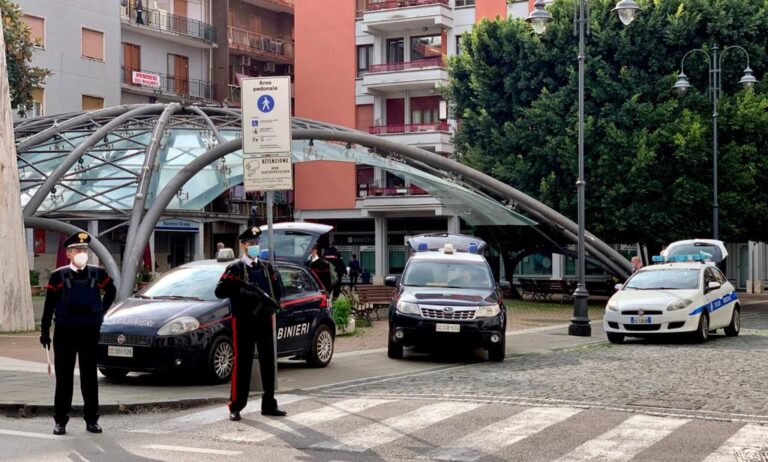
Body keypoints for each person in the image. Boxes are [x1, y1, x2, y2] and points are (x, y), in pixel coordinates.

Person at [40, 232, 116, 436]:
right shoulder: (58, 275)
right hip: (65, 332)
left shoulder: (97, 273)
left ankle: (92, 420)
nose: (82, 253)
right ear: (69, 254)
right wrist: (44, 331)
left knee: (89, 377)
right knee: (64, 378)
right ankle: (60, 421)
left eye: (84, 250)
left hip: (89, 331)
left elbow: (112, 290)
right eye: (78, 250)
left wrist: (101, 309)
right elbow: (49, 306)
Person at [215, 226, 285, 421]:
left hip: (264, 319)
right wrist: (241, 290)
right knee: (242, 363)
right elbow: (220, 291)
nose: (254, 246)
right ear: (243, 245)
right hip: (244, 321)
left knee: (268, 362)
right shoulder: (235, 268)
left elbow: (277, 291)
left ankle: (269, 404)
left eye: (256, 243)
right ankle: (236, 406)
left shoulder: (266, 267)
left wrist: (275, 304)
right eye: (251, 243)